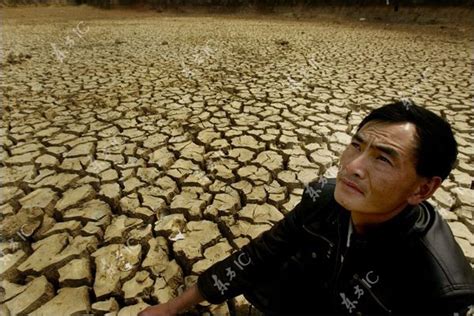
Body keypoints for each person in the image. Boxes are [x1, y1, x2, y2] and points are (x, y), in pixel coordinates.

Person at [139, 101, 474, 316]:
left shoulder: (441, 287)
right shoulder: (325, 198)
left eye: (383, 159)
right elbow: (261, 254)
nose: (352, 167)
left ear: (423, 188)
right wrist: (172, 307)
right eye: (356, 145)